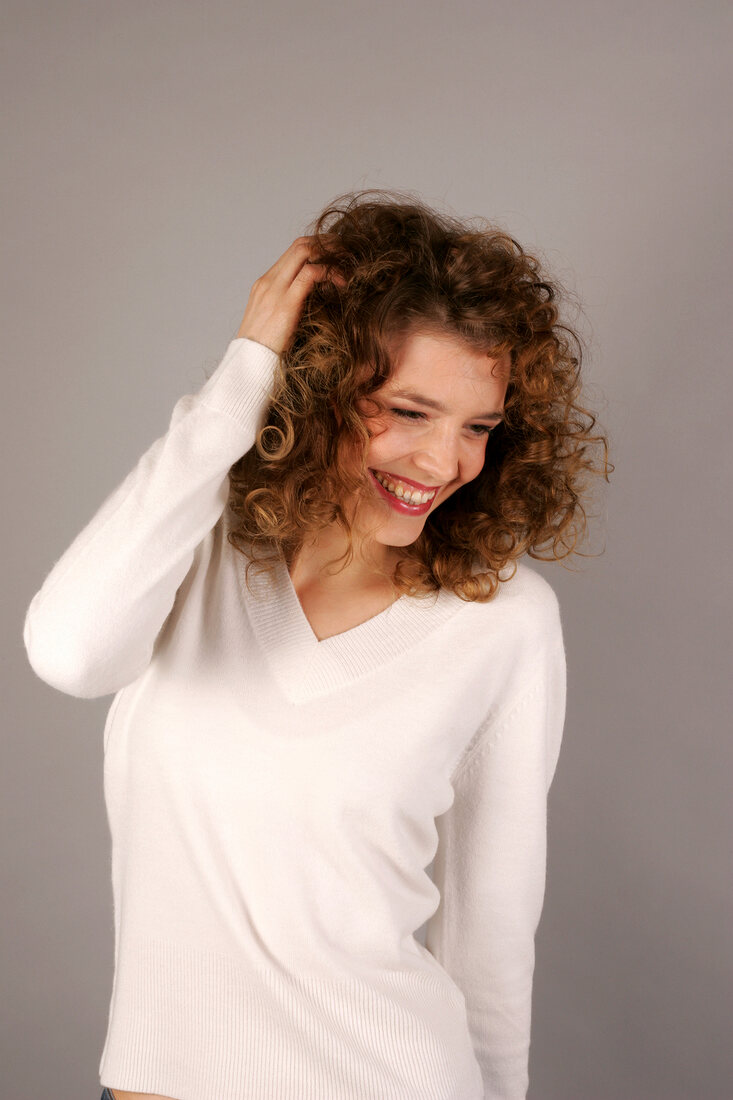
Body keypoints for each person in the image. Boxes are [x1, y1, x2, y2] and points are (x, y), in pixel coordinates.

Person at [23, 190, 609, 1100]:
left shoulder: (502, 618)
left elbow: (488, 935)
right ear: (320, 386)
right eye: (408, 411)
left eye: (478, 428)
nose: (444, 462)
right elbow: (69, 652)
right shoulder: (193, 552)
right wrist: (237, 385)